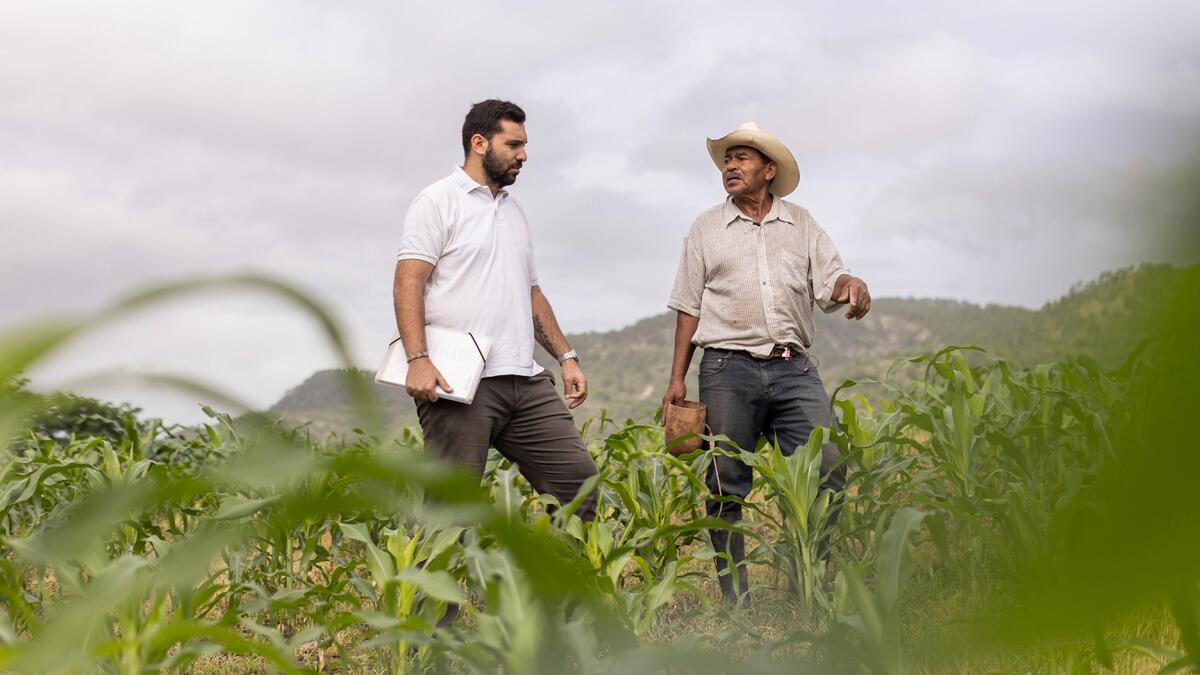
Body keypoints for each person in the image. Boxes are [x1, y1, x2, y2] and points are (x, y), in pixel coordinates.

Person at [662, 122, 871, 606]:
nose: (731, 167)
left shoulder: (802, 224)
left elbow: (832, 283)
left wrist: (852, 284)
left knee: (829, 466)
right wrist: (676, 378)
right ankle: (737, 601)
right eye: (727, 160)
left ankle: (806, 581)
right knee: (725, 484)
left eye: (742, 159)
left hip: (793, 369)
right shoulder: (705, 228)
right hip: (725, 369)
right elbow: (688, 306)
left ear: (768, 170)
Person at [393, 99, 598, 522]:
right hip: (459, 383)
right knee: (451, 515)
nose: (524, 155)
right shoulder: (437, 202)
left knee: (579, 488)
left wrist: (566, 356)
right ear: (480, 143)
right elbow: (407, 281)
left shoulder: (514, 211)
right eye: (515, 144)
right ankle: (436, 590)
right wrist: (418, 359)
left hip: (524, 378)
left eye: (524, 145)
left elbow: (531, 292)